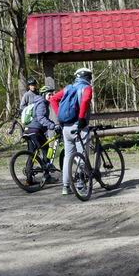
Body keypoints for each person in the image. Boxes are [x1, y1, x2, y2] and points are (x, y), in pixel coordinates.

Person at [50, 67, 94, 195]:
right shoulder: (86, 88)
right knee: (82, 155)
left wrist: (59, 116)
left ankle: (65, 186)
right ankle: (81, 185)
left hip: (66, 128)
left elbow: (53, 99)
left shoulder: (68, 88)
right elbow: (85, 100)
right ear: (87, 77)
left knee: (68, 156)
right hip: (78, 127)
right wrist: (81, 118)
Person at [24, 85, 61, 182]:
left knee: (32, 154)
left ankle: (29, 178)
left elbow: (41, 118)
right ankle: (47, 176)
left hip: (29, 130)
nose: (51, 96)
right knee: (46, 150)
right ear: (44, 94)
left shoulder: (38, 102)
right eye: (49, 94)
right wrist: (53, 126)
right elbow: (41, 118)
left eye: (52, 94)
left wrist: (53, 124)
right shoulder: (42, 103)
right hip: (36, 131)